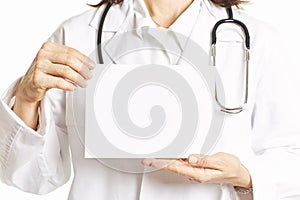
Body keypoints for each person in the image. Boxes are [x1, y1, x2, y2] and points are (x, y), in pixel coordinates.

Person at [0, 0, 300, 199]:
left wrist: (245, 175)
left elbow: (292, 157)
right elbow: (34, 178)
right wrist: (27, 98)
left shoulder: (257, 40)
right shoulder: (76, 34)